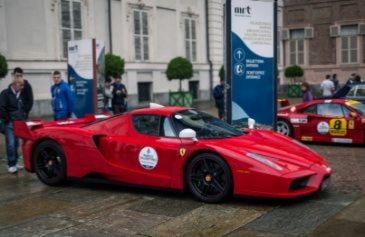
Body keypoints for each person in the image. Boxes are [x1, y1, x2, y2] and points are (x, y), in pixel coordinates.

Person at [0, 77, 26, 173]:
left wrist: (23, 117)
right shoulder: (5, 93)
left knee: (16, 144)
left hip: (18, 123)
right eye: (21, 85)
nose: (23, 87)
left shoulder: (19, 94)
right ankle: (11, 164)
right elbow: (1, 108)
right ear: (15, 84)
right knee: (10, 144)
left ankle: (15, 163)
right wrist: (7, 119)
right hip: (9, 122)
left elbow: (22, 108)